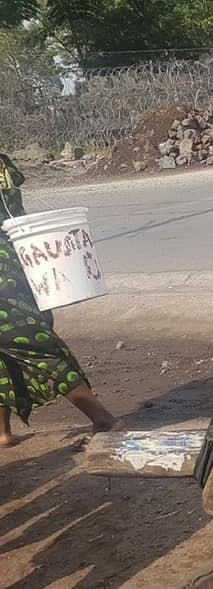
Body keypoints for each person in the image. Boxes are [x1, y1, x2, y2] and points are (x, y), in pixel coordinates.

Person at [0, 153, 125, 447]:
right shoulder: (4, 164)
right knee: (8, 355)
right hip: (15, 269)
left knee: (37, 348)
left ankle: (103, 419)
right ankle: (2, 432)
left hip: (7, 279)